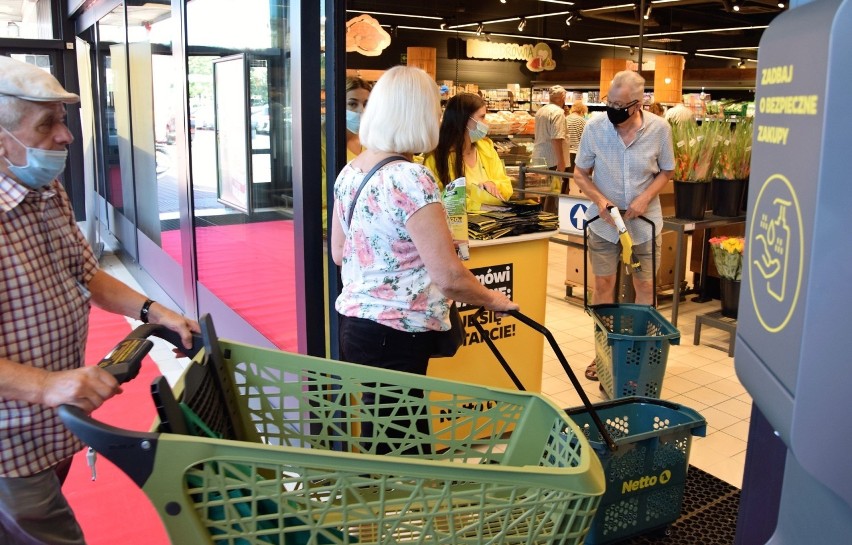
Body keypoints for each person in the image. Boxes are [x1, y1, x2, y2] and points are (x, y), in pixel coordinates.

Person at [0, 55, 200, 545]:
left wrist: (155, 312)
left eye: (62, 122)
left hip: (56, 424)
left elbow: (86, 274)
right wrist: (46, 385)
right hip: (8, 443)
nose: (65, 137)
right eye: (46, 125)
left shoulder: (47, 191)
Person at [330, 66, 518, 454]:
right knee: (405, 445)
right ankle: (398, 509)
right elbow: (449, 276)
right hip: (398, 331)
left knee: (383, 431)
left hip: (357, 326)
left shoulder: (351, 171)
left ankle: (382, 503)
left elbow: (338, 252)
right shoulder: (412, 178)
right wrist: (494, 299)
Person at [572, 70, 675, 381]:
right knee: (604, 287)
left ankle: (641, 352)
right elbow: (580, 174)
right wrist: (600, 200)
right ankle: (604, 352)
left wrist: (644, 198)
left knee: (645, 287)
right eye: (609, 102)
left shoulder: (660, 129)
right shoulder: (595, 128)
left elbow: (667, 171)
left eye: (620, 104)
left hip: (643, 224)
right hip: (605, 225)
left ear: (638, 102)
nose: (613, 108)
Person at [422, 92, 514, 211]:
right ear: (464, 120)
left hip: (493, 223)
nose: (486, 123)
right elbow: (440, 199)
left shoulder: (487, 148)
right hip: (458, 226)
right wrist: (479, 205)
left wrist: (493, 184)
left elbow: (507, 186)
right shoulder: (437, 157)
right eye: (482, 117)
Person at [320, 76, 372, 230]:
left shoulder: (371, 141)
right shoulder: (321, 142)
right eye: (352, 104)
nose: (360, 110)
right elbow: (322, 198)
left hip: (368, 224)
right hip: (330, 229)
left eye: (366, 104)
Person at [564, 99, 587, 175]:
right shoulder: (582, 121)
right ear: (582, 111)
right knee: (575, 177)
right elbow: (584, 139)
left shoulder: (565, 119)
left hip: (565, 152)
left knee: (565, 176)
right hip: (576, 152)